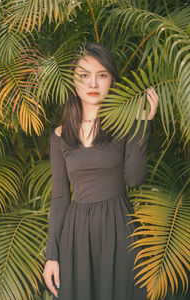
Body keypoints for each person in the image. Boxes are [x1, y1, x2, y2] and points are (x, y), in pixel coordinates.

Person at [43, 43, 159, 300]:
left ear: (112, 80)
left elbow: (134, 179)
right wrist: (52, 255)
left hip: (118, 229)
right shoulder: (60, 135)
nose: (92, 83)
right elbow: (60, 197)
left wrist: (143, 127)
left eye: (102, 75)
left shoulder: (126, 126)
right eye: (84, 75)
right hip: (76, 234)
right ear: (73, 79)